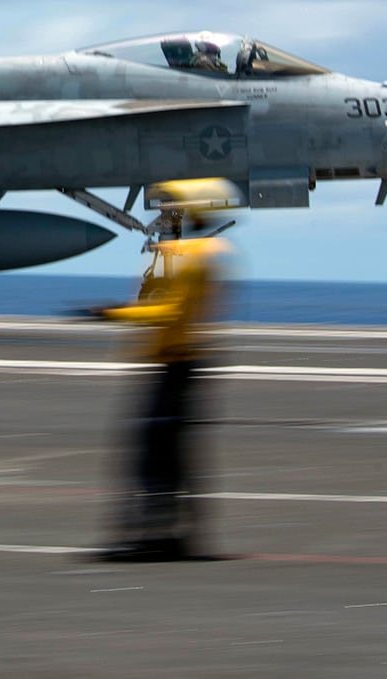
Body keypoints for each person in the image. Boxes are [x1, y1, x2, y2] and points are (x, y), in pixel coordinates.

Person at [91, 180, 236, 562]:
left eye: (174, 209)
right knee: (165, 453)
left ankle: (158, 534)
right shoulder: (183, 252)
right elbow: (154, 299)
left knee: (156, 453)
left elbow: (170, 310)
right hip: (172, 364)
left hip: (178, 366)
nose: (166, 215)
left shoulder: (197, 253)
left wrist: (112, 313)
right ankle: (167, 532)